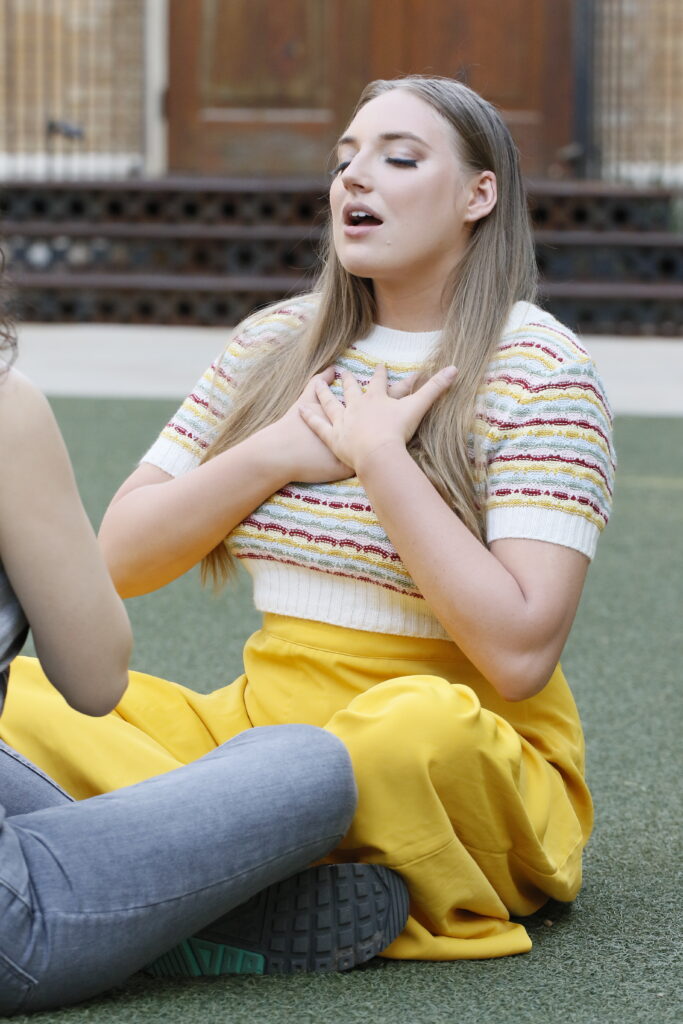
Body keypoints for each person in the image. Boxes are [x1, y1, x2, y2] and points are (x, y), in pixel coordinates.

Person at [0, 75, 616, 966]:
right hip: (257, 733)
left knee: (405, 732)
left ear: (478, 195)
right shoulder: (274, 344)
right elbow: (119, 558)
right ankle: (246, 900)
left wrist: (382, 459)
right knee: (24, 699)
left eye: (397, 159)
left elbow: (519, 654)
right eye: (344, 161)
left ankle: (181, 890)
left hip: (453, 755)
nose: (353, 180)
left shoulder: (541, 368)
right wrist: (278, 452)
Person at [0, 271, 408, 1014]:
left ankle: (146, 910)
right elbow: (95, 682)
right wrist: (287, 454)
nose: (352, 178)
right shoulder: (5, 406)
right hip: (8, 930)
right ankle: (165, 923)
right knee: (309, 762)